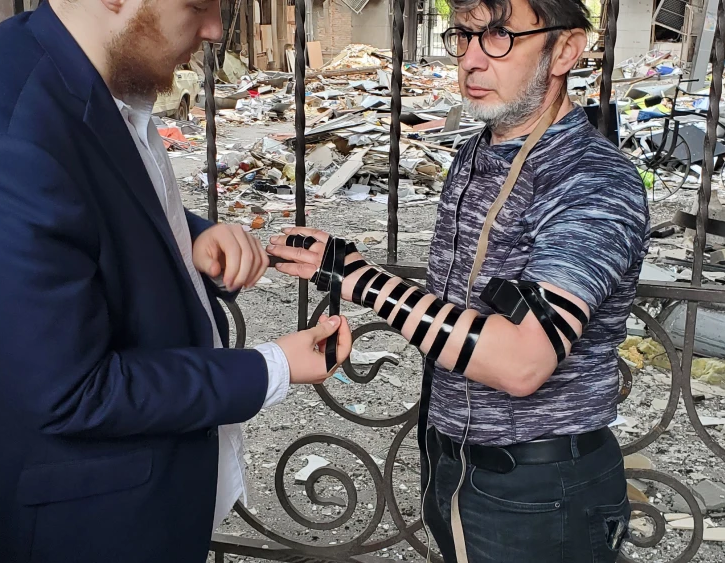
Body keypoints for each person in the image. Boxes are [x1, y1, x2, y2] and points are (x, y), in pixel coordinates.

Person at [0, 1, 351, 561]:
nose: (213, 30)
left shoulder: (75, 66)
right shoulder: (5, 144)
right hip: (65, 523)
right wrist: (273, 367)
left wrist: (190, 238)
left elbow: (88, 206)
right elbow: (72, 392)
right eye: (199, 6)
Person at [266, 0, 650, 562]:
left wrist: (366, 283)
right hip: (453, 460)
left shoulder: (593, 180)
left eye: (498, 36)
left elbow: (523, 361)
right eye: (463, 36)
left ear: (566, 49)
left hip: (540, 489)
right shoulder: (476, 151)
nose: (471, 59)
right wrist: (344, 265)